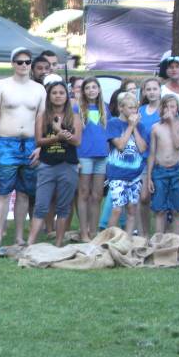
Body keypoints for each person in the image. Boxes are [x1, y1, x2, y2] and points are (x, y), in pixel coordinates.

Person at [0, 48, 45, 248]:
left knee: (24, 192)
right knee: (3, 192)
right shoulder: (2, 86)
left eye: (27, 62)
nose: (23, 65)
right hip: (6, 142)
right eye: (19, 62)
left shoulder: (38, 89)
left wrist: (40, 146)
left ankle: (19, 237)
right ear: (12, 63)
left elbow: (41, 119)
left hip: (29, 143)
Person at [28, 81, 82, 246]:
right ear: (49, 96)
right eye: (54, 93)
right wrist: (56, 138)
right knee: (41, 205)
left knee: (63, 206)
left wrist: (59, 130)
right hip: (47, 165)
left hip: (68, 165)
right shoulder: (42, 116)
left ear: (67, 96)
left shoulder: (75, 117)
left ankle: (58, 243)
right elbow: (39, 140)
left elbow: (77, 141)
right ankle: (30, 242)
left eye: (61, 93)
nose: (58, 96)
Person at [105, 92, 148, 234]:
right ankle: (108, 238)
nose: (133, 111)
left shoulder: (140, 127)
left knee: (132, 209)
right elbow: (120, 145)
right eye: (130, 108)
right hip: (117, 174)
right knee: (117, 209)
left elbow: (142, 148)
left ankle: (127, 240)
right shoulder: (113, 124)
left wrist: (135, 127)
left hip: (135, 174)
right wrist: (130, 126)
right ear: (121, 108)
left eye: (135, 108)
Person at [148, 95, 179, 234]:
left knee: (177, 210)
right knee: (159, 210)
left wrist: (171, 124)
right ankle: (159, 243)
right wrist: (149, 178)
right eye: (166, 106)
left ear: (177, 109)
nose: (169, 109)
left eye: (173, 106)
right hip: (159, 172)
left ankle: (175, 244)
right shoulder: (156, 127)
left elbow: (178, 145)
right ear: (162, 108)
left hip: (177, 171)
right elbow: (152, 154)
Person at [76, 77, 108, 242]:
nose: (91, 90)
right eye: (87, 88)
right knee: (83, 193)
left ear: (99, 89)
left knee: (97, 195)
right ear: (83, 91)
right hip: (84, 156)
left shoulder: (105, 108)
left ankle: (94, 231)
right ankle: (83, 232)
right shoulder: (78, 109)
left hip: (101, 157)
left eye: (94, 87)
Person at [138, 77, 162, 234]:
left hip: (161, 159)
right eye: (148, 89)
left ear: (160, 90)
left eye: (154, 89)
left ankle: (162, 235)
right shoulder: (140, 110)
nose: (152, 92)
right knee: (143, 197)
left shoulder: (165, 109)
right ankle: (143, 234)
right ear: (144, 92)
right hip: (143, 159)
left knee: (161, 200)